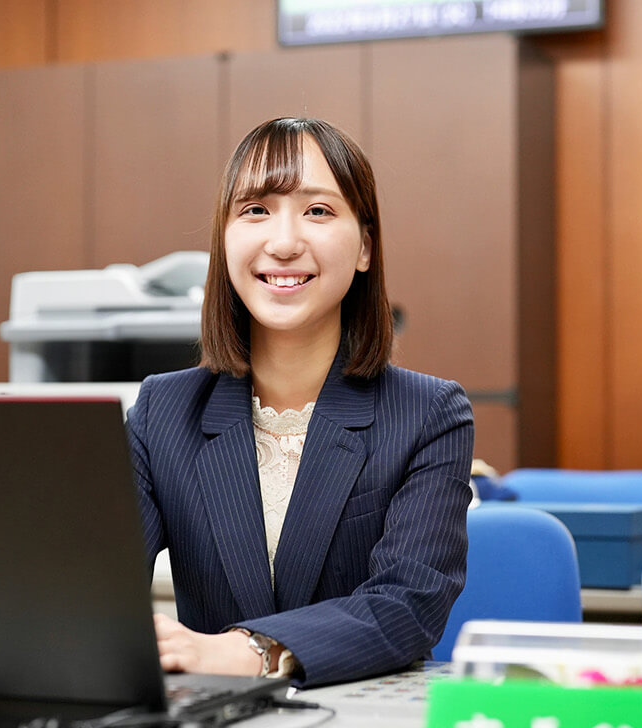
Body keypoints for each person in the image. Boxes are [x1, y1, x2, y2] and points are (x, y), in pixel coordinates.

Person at [125, 117, 475, 687]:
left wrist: (248, 653)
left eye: (318, 211)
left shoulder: (429, 414)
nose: (284, 243)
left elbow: (406, 606)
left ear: (364, 246)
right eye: (256, 210)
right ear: (225, 240)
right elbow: (95, 592)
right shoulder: (163, 412)